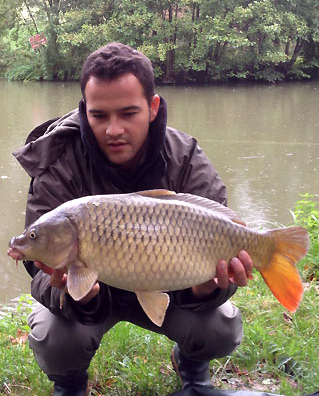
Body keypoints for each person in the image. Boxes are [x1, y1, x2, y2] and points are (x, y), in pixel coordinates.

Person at [13, 42, 254, 396]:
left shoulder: (185, 157)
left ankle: (191, 363)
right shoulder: (58, 162)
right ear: (84, 111)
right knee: (54, 336)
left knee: (219, 326)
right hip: (95, 299)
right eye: (99, 116)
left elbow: (221, 239)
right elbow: (39, 269)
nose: (113, 130)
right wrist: (71, 292)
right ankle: (70, 382)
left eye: (128, 113)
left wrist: (207, 287)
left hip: (172, 288)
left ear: (152, 107)